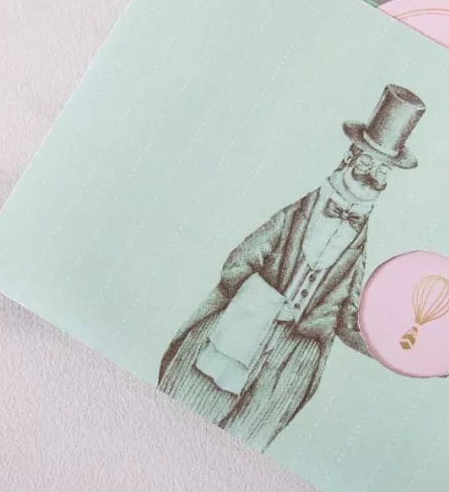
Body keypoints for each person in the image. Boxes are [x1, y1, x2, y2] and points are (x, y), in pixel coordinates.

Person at [158, 84, 426, 451]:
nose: (372, 176)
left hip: (292, 362)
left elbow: (349, 320)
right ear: (348, 159)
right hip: (237, 333)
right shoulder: (295, 215)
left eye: (383, 171)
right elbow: (237, 264)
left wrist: (399, 354)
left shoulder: (359, 247)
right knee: (181, 410)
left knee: (239, 447)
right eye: (367, 163)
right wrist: (263, 304)